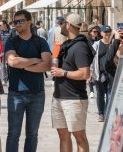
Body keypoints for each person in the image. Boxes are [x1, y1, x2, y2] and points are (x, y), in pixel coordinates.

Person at [5, 9, 51, 152]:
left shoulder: (40, 42)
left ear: (29, 22)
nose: (17, 24)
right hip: (16, 94)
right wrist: (34, 61)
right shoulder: (11, 42)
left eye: (20, 21)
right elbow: (12, 61)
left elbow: (48, 65)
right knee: (13, 134)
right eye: (15, 22)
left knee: (32, 134)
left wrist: (24, 65)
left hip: (37, 94)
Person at [50, 13, 92, 152]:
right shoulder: (67, 44)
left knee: (79, 137)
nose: (60, 25)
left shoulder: (80, 47)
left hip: (74, 99)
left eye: (62, 22)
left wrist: (63, 73)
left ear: (68, 25)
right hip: (59, 97)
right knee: (63, 135)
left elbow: (85, 73)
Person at [91, 24, 113, 122]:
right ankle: (101, 113)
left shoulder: (113, 44)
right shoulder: (96, 45)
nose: (107, 34)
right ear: (101, 33)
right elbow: (91, 59)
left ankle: (107, 112)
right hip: (99, 72)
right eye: (105, 32)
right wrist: (91, 72)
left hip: (111, 73)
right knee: (100, 94)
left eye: (109, 31)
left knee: (110, 94)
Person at [0, 20, 11, 84]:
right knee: (3, 66)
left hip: (9, 51)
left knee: (10, 65)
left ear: (5, 25)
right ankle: (4, 79)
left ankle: (10, 78)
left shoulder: (10, 31)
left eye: (0, 25)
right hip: (2, 51)